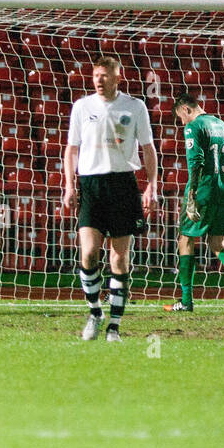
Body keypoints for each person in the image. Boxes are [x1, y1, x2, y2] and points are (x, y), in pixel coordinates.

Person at [62, 55, 158, 342]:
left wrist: (152, 186)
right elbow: (71, 149)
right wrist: (69, 185)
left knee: (119, 258)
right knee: (89, 252)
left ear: (118, 77)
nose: (99, 81)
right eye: (95, 76)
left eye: (105, 76)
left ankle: (114, 326)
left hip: (122, 185)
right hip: (91, 185)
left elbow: (148, 149)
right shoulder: (82, 107)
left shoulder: (134, 106)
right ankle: (95, 313)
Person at [166, 93, 224, 313]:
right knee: (218, 244)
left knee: (186, 239)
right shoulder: (223, 125)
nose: (181, 123)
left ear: (186, 109)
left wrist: (192, 199)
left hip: (205, 191)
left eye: (180, 117)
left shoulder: (194, 127)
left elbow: (195, 162)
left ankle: (186, 301)